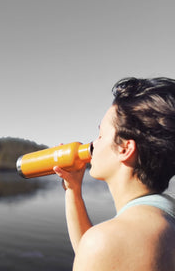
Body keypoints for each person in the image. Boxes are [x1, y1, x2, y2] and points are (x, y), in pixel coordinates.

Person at [54, 77, 175, 271]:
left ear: (125, 149)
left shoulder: (107, 241)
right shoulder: (166, 214)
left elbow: (99, 251)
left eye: (101, 135)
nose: (92, 144)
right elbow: (97, 257)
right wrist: (73, 190)